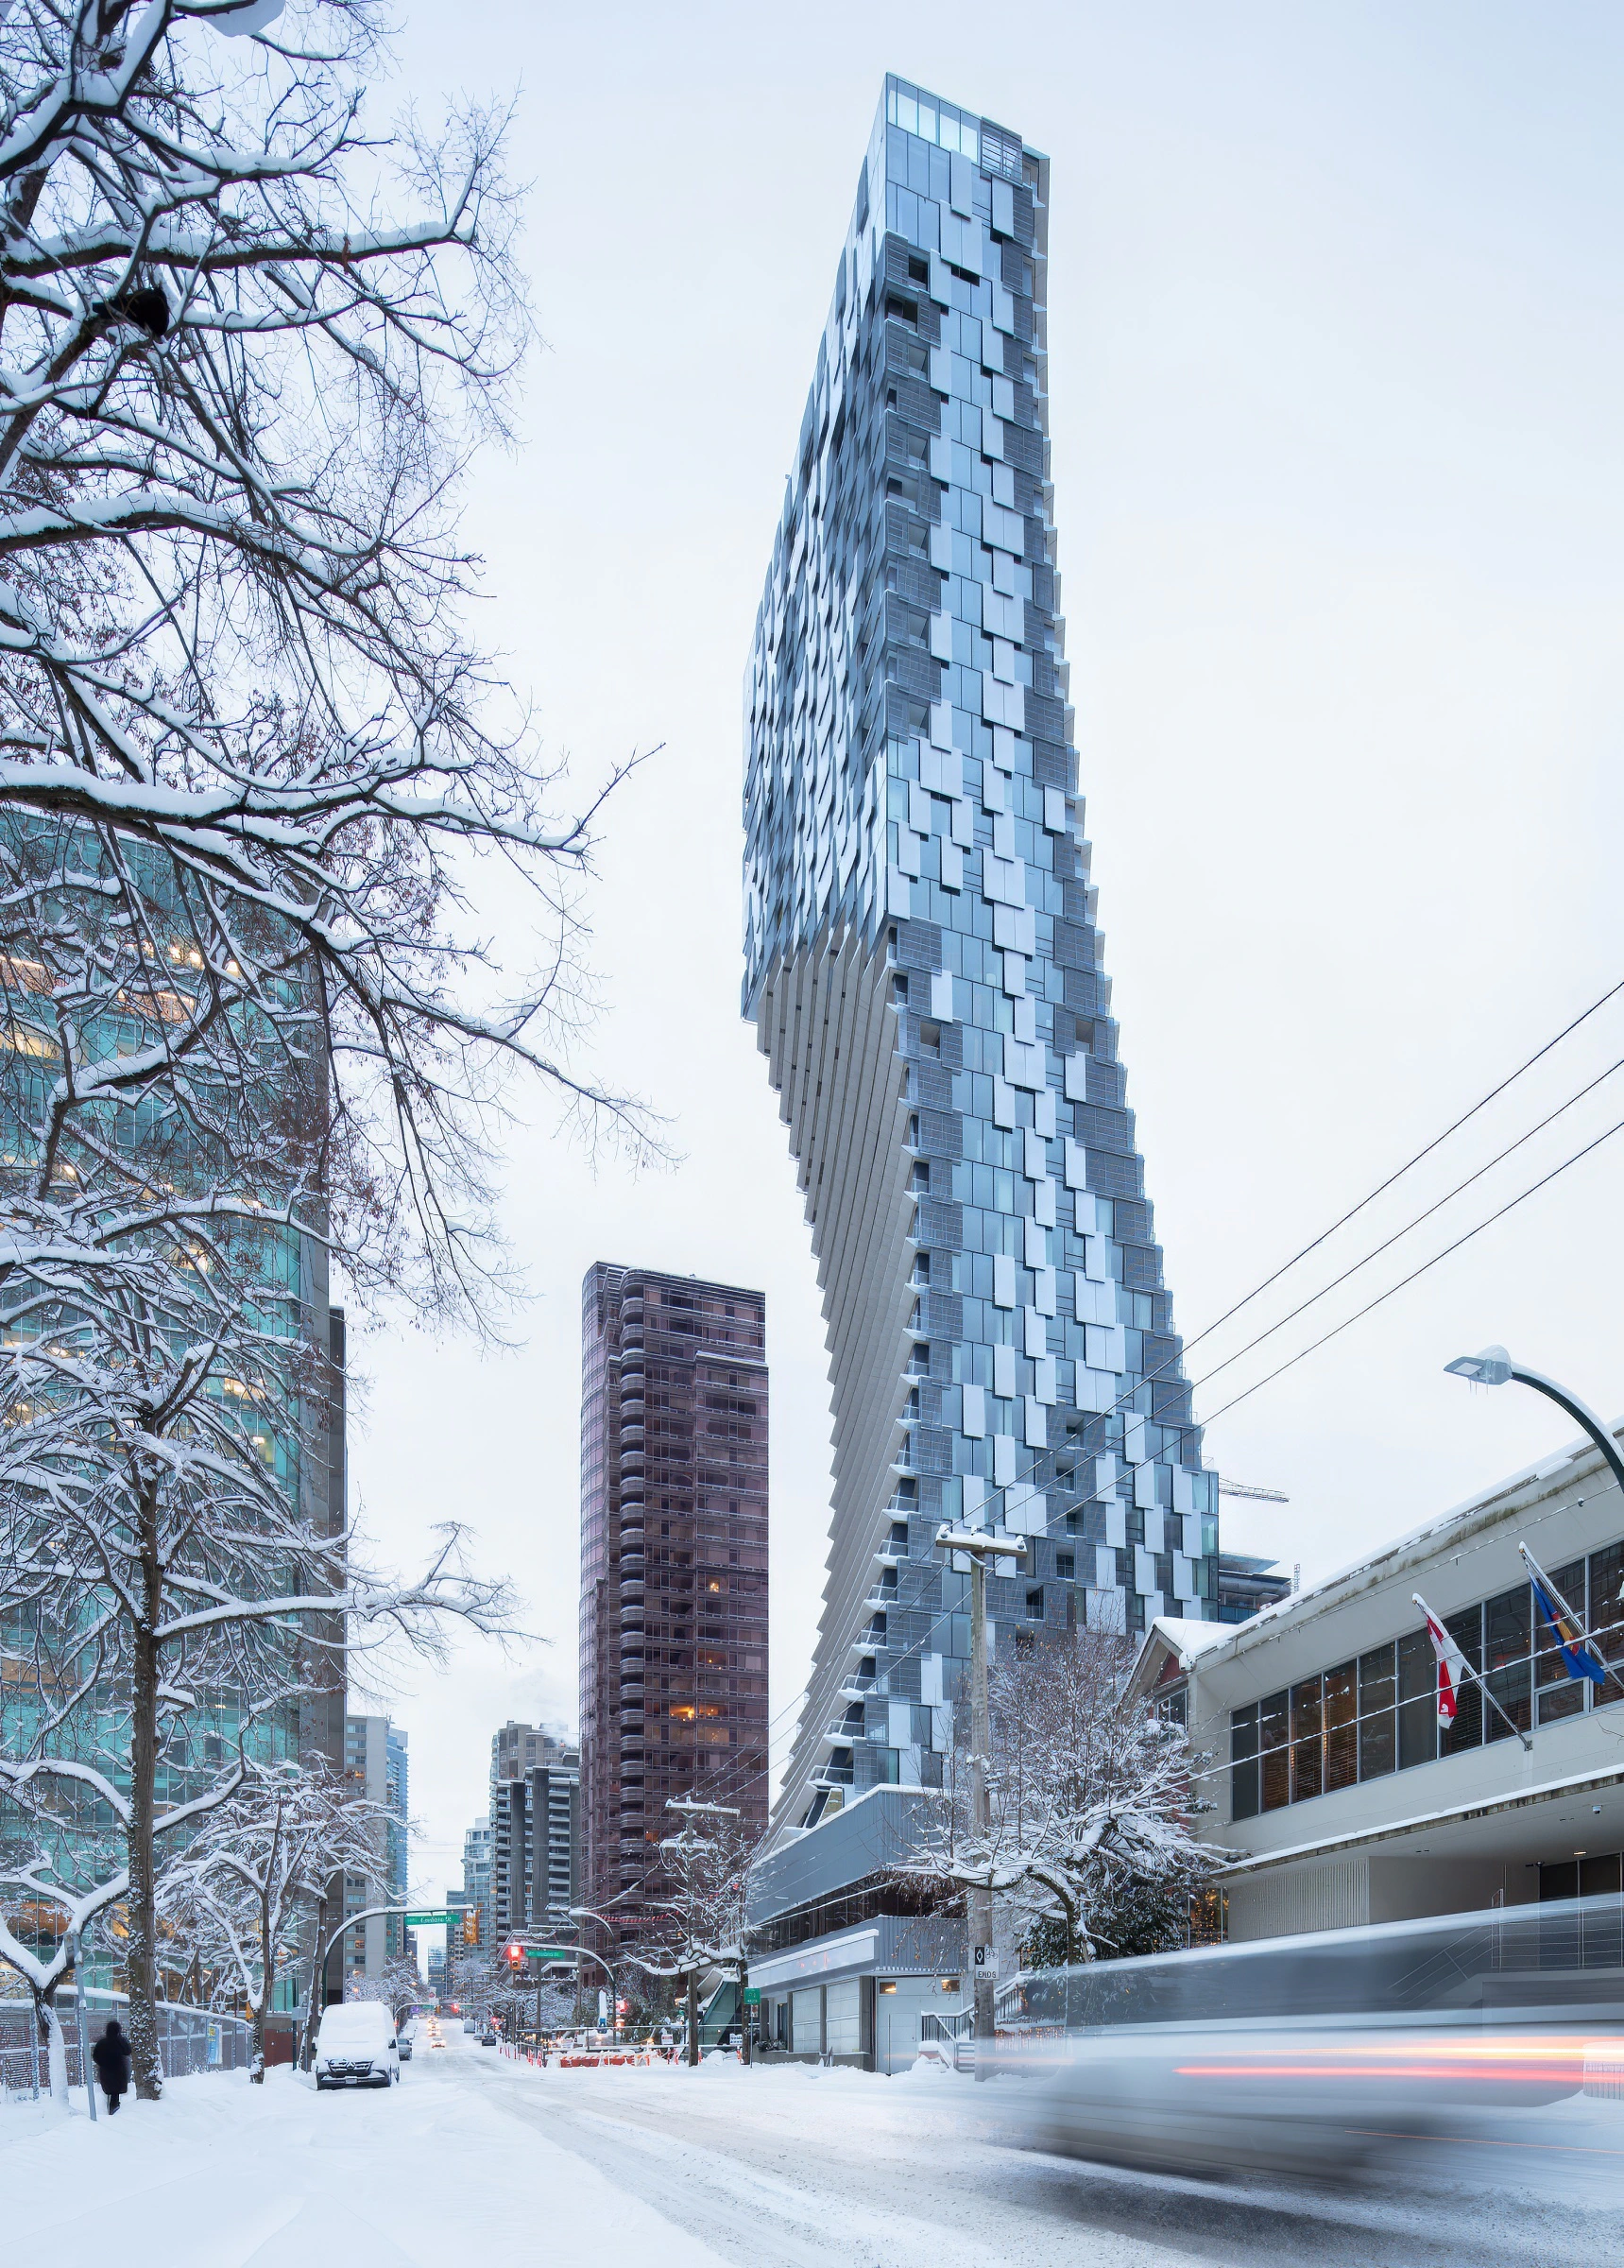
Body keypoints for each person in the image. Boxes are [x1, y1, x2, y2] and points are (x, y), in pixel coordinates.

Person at [91, 2018, 132, 2115]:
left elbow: (95, 2056)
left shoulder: (101, 2043)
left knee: (109, 2092)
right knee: (115, 2094)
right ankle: (114, 2112)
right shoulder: (120, 2042)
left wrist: (103, 2064)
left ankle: (109, 2111)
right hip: (118, 2072)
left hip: (105, 2072)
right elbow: (127, 2051)